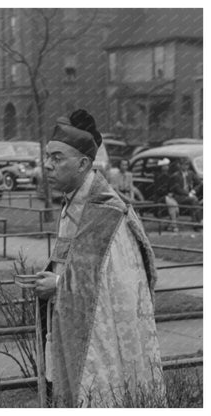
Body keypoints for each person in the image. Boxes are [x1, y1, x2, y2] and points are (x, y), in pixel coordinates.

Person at [34, 109, 165, 407]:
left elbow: (118, 288)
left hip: (102, 341)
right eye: (47, 157)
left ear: (83, 164)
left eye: (57, 158)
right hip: (68, 325)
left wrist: (58, 285)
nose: (47, 165)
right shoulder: (73, 203)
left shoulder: (107, 212)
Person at [169, 158, 202, 228]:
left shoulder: (191, 173)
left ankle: (196, 223)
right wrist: (188, 194)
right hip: (178, 196)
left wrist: (194, 191)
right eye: (184, 165)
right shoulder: (175, 176)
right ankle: (199, 221)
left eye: (187, 165)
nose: (186, 167)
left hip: (189, 195)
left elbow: (199, 183)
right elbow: (177, 189)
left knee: (194, 201)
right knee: (194, 200)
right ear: (180, 166)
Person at [153, 158, 179, 232]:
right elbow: (158, 190)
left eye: (167, 166)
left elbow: (172, 187)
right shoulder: (157, 176)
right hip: (160, 197)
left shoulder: (170, 176)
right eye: (165, 166)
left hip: (168, 197)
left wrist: (171, 193)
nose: (167, 167)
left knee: (174, 206)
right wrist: (167, 193)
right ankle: (174, 225)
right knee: (172, 204)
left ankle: (171, 225)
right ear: (162, 167)